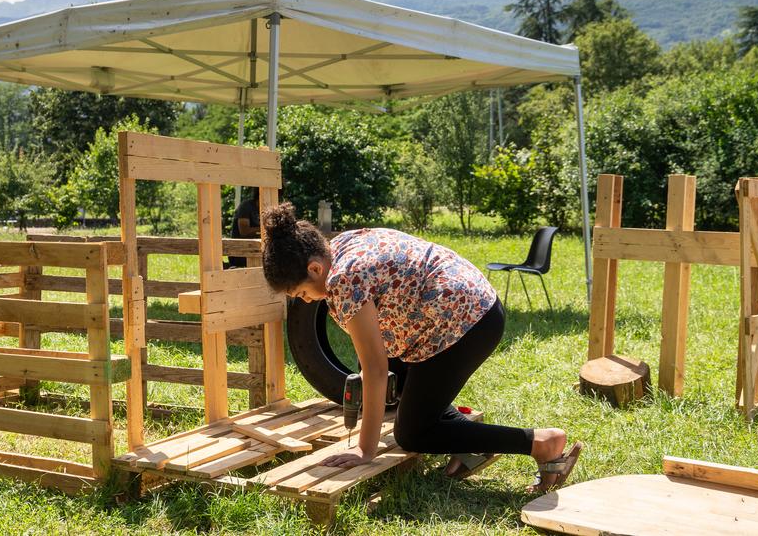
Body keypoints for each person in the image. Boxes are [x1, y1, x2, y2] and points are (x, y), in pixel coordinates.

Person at [259, 203, 581, 491]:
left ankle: (540, 443)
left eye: (300, 293)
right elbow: (377, 353)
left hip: (465, 322)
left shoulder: (343, 281)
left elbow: (375, 368)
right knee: (400, 390)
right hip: (459, 306)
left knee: (412, 433)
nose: (304, 300)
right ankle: (468, 439)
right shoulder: (338, 245)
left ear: (315, 269)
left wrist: (364, 449)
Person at [227, 190, 260, 268]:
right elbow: (244, 231)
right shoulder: (246, 206)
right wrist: (264, 228)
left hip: (256, 250)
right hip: (240, 252)